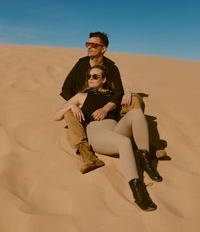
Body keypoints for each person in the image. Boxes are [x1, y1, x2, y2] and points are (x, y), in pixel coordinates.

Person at [56, 64, 163, 211]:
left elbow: (129, 101)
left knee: (137, 114)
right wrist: (70, 106)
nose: (91, 79)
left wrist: (131, 94)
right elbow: (56, 115)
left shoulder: (113, 96)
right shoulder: (81, 96)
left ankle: (145, 159)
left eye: (95, 76)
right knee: (124, 142)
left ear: (104, 80)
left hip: (116, 129)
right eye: (89, 76)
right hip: (98, 134)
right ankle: (138, 191)